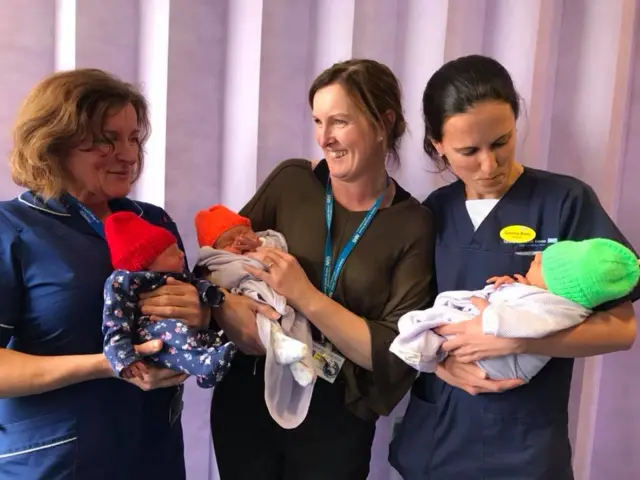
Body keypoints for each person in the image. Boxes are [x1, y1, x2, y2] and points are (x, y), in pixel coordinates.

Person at [389, 54, 639, 479]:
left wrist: (517, 342)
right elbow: (408, 321)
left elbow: (622, 329)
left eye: (501, 142)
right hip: (440, 435)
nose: (490, 165)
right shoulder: (432, 213)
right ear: (438, 146)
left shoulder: (564, 202)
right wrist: (442, 365)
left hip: (524, 446)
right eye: (469, 151)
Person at [208, 59, 435, 479]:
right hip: (248, 396)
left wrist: (305, 296)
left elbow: (392, 352)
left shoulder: (412, 224)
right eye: (318, 120)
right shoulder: (292, 182)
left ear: (384, 122)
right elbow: (219, 259)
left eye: (340, 122)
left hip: (334, 417)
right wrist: (225, 306)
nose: (324, 138)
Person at [0, 69, 227, 479]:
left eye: (134, 138)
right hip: (55, 460)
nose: (128, 154)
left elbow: (188, 316)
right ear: (54, 141)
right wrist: (105, 364)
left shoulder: (153, 221)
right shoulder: (11, 229)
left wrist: (201, 314)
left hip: (151, 453)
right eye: (107, 139)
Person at [390, 238, 639, 381]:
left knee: (432, 319)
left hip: (501, 366)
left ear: (556, 284)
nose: (536, 258)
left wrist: (489, 309)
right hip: (477, 367)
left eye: (542, 264)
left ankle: (416, 349)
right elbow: (529, 308)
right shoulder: (553, 300)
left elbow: (518, 324)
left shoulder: (559, 309)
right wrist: (513, 288)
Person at [194, 204, 315, 429]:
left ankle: (301, 363)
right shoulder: (219, 264)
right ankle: (287, 354)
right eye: (229, 241)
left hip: (283, 299)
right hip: (253, 300)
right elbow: (220, 277)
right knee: (265, 324)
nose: (239, 243)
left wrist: (259, 245)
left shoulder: (264, 244)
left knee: (298, 327)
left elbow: (279, 245)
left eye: (244, 234)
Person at [102, 211, 236, 387]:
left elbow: (196, 283)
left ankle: (207, 370)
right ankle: (203, 365)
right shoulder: (123, 281)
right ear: (147, 263)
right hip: (148, 334)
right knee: (174, 329)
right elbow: (114, 321)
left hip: (180, 331)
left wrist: (209, 293)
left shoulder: (177, 275)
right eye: (172, 252)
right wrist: (123, 354)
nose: (182, 254)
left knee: (209, 337)